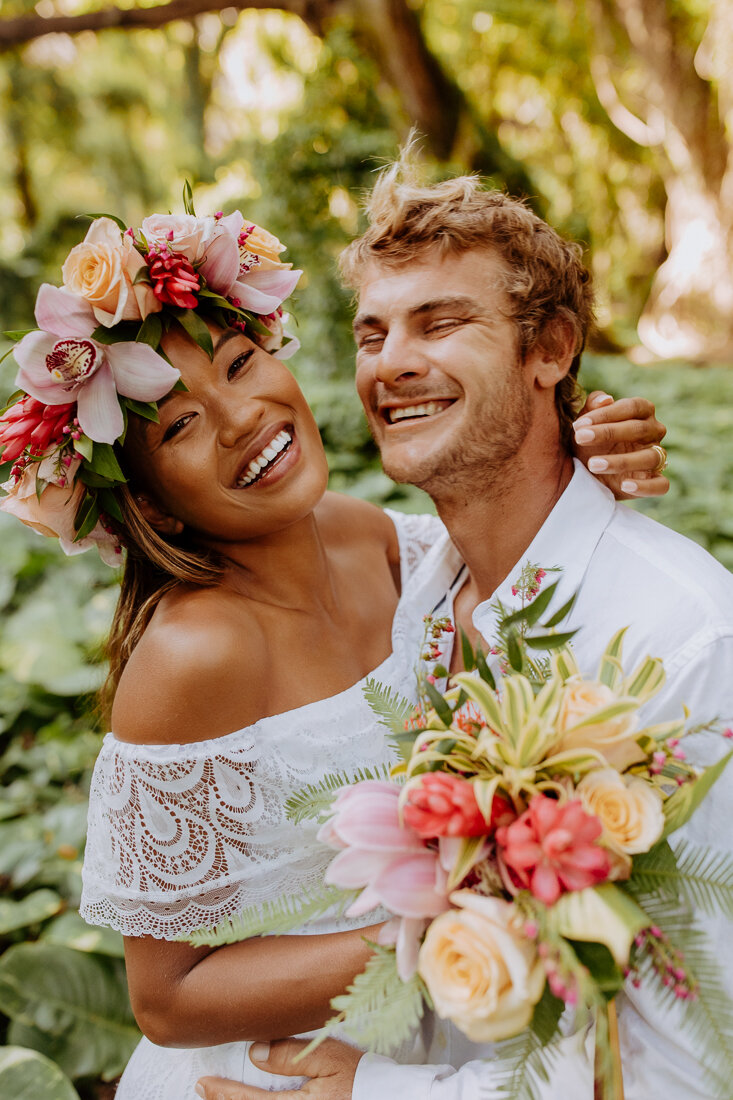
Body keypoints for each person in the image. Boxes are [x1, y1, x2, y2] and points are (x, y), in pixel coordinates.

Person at [0, 199, 668, 1100]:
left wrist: (576, 453)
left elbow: (503, 562)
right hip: (275, 1070)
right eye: (181, 425)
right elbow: (167, 999)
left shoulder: (370, 538)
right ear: (150, 502)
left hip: (428, 1043)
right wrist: (469, 921)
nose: (240, 416)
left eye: (239, 364)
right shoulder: (195, 654)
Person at [195, 163, 733, 1100]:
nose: (389, 361)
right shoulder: (416, 586)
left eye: (439, 323)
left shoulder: (679, 641)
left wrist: (365, 1095)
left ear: (552, 349)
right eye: (372, 333)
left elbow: (695, 1068)